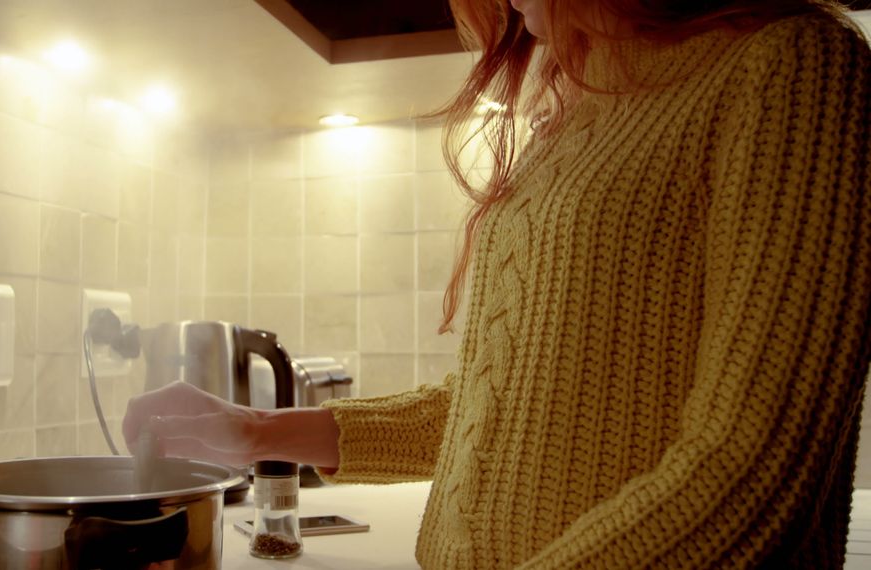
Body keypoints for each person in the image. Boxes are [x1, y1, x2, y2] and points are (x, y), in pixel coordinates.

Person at [124, 0, 871, 567]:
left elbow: (754, 465)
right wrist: (254, 431)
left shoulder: (791, 65)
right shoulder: (575, 115)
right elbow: (509, 414)